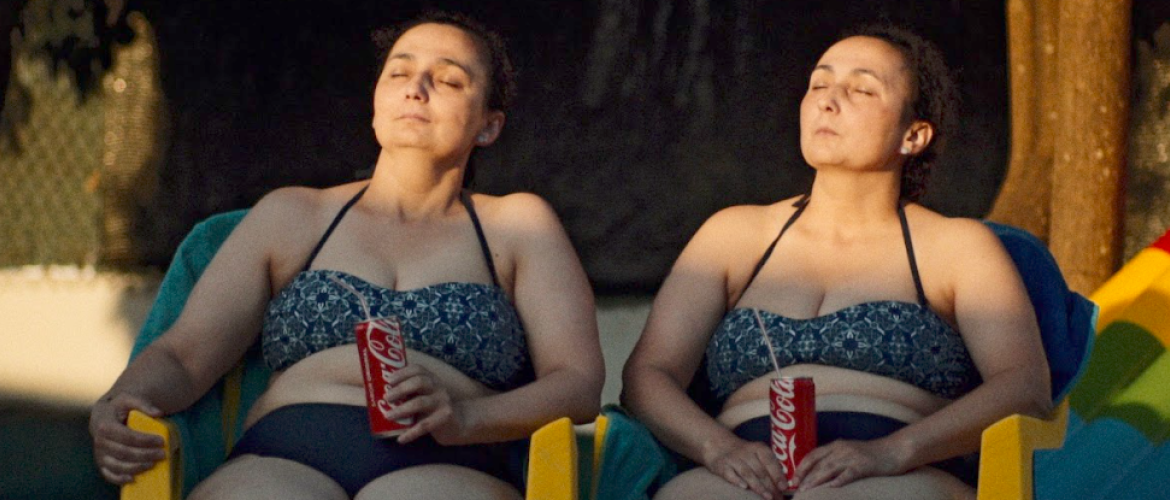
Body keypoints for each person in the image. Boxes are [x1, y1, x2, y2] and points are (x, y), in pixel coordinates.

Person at [89, 11, 604, 500]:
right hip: (285, 451)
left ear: (488, 126)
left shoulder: (518, 225)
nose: (415, 88)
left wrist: (467, 417)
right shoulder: (293, 215)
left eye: (448, 81)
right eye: (399, 72)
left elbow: (577, 383)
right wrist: (120, 401)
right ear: (376, 104)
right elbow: (184, 356)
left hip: (452, 459)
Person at [621, 25, 1051, 500]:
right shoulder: (734, 235)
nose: (828, 100)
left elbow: (1024, 386)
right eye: (818, 85)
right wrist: (718, 448)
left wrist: (891, 452)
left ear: (914, 135)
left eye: (862, 89)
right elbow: (648, 375)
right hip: (742, 470)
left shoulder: (956, 247)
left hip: (900, 475)